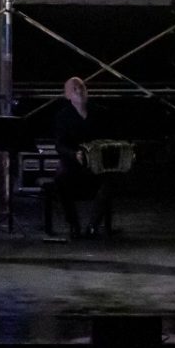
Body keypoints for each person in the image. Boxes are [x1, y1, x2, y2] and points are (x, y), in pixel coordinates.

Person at [47, 77, 111, 238]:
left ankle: (93, 225)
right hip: (73, 163)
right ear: (67, 95)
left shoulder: (100, 112)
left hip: (97, 163)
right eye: (74, 89)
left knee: (112, 178)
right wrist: (74, 154)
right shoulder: (62, 116)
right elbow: (59, 145)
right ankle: (73, 223)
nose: (79, 91)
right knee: (60, 178)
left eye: (82, 87)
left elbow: (109, 138)